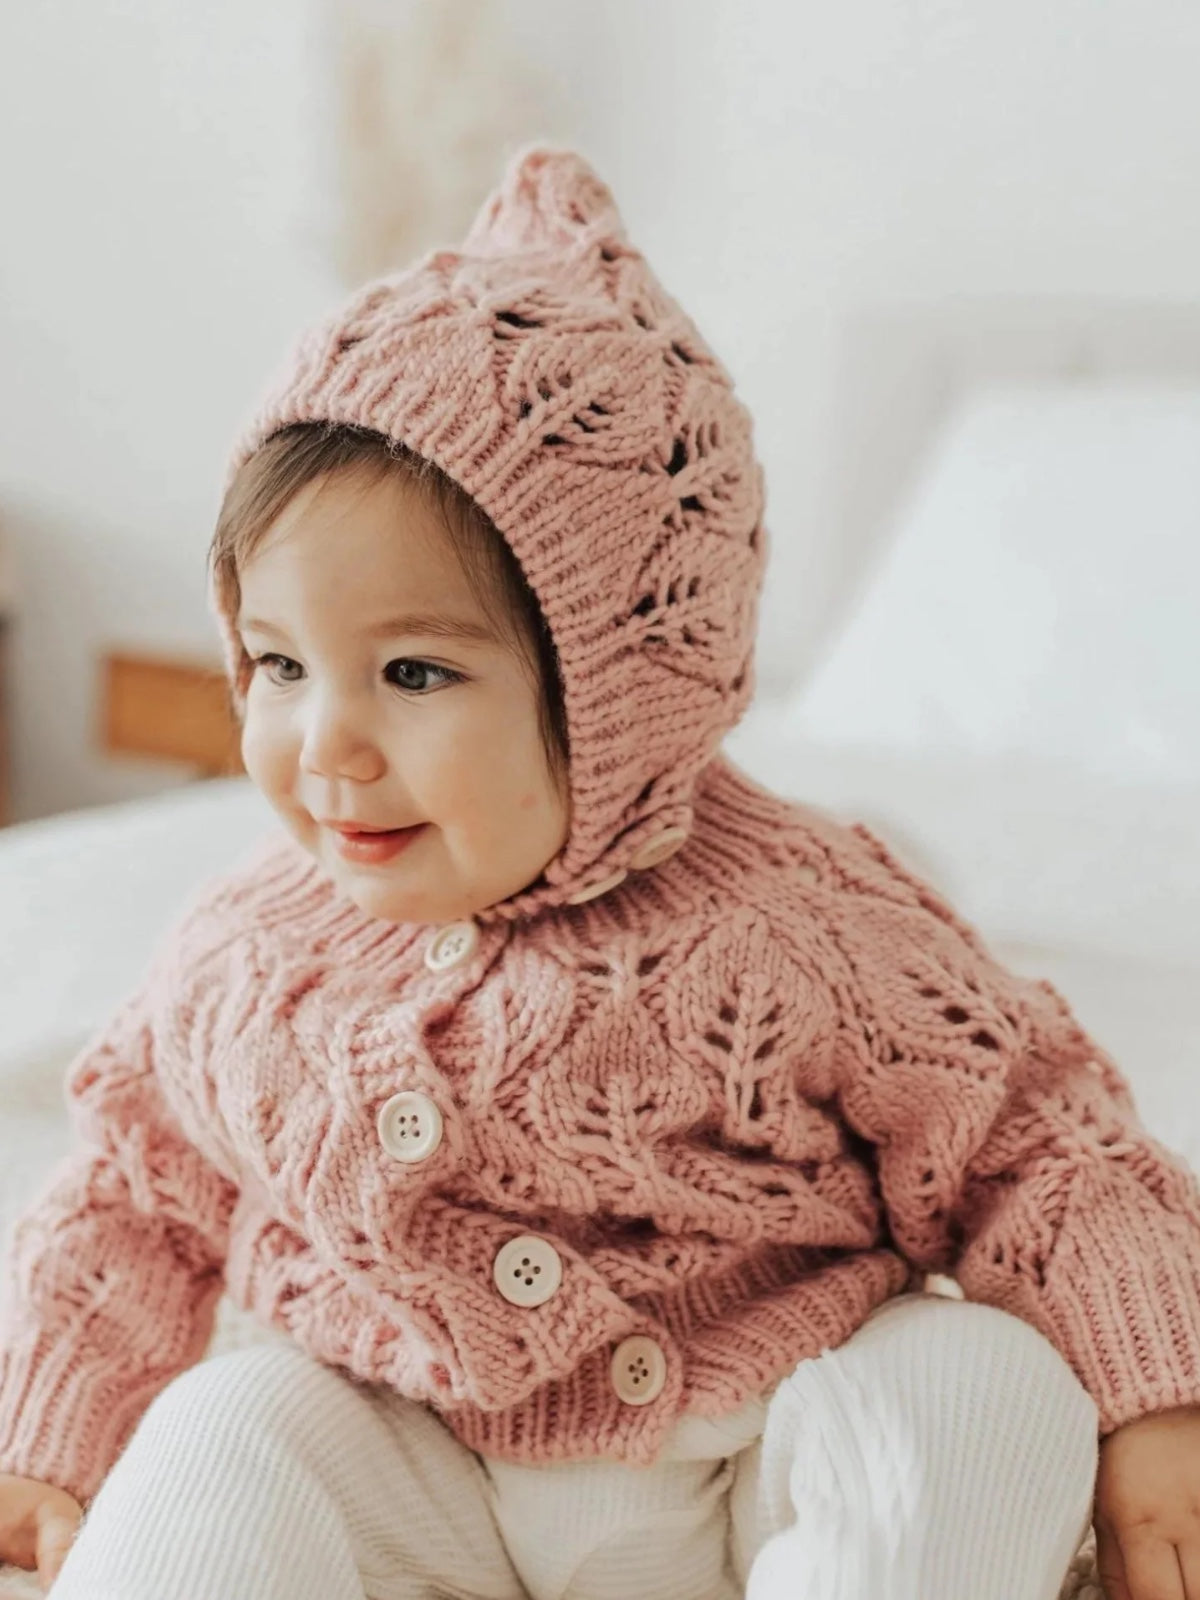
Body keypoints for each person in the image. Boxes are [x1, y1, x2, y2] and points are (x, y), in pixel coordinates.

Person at [0, 145, 1198, 1600]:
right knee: (222, 1425)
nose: (326, 744)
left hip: (753, 1451)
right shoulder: (246, 955)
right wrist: (47, 1439)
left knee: (982, 1389)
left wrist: (1158, 1398)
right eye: (276, 664)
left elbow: (1038, 1135)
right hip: (420, 1460)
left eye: (415, 670)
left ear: (622, 682)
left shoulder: (803, 919)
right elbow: (134, 1189)